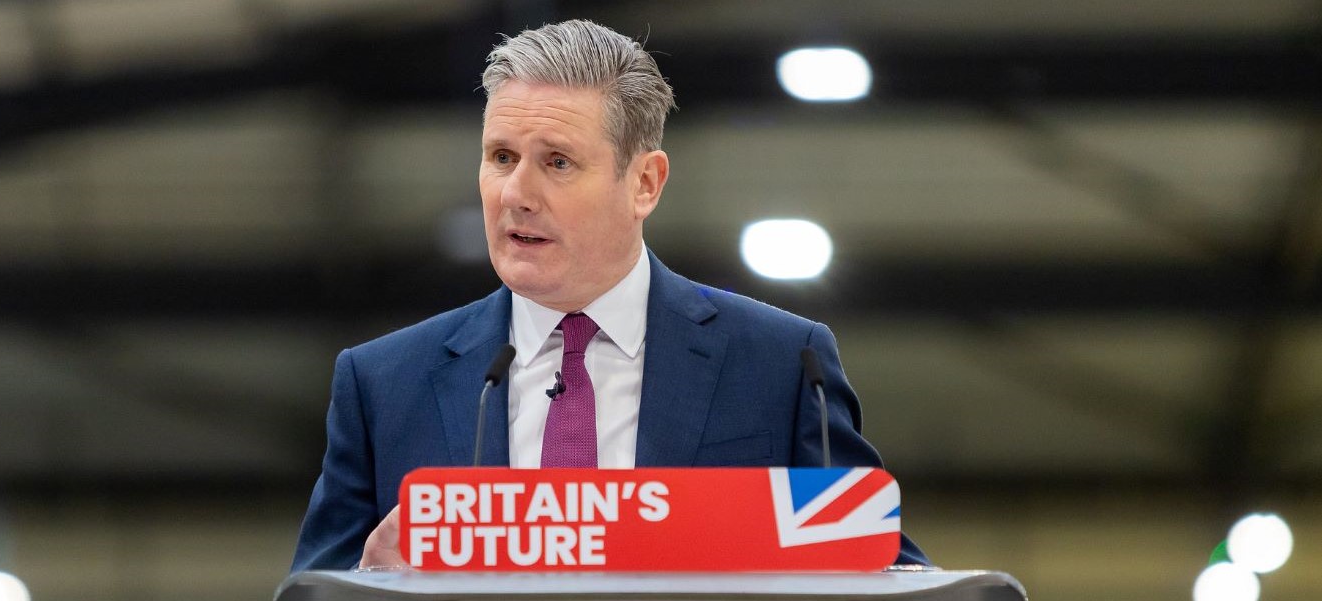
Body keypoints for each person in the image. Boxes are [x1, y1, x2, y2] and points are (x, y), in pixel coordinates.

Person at [291, 19, 927, 571]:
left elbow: (886, 571)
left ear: (644, 183)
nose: (515, 193)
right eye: (502, 157)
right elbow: (312, 587)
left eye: (557, 162)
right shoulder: (384, 384)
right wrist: (370, 585)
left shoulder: (782, 364)